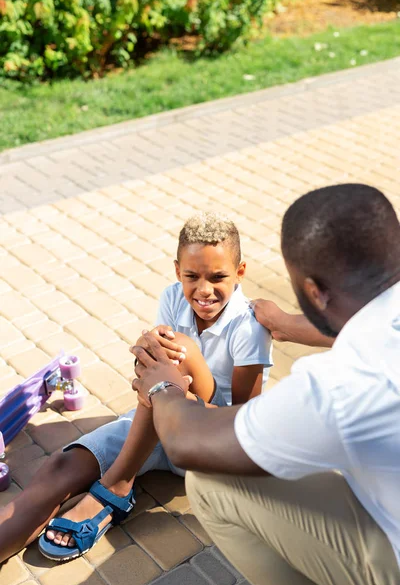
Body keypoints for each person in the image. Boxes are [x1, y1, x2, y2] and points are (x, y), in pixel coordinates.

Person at [131, 184, 400, 585]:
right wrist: (294, 325)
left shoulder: (339, 387)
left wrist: (163, 384)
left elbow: (189, 443)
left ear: (312, 290)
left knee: (211, 483)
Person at [0, 212, 273, 563]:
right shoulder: (173, 297)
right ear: (178, 272)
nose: (204, 290)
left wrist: (166, 388)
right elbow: (156, 368)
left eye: (218, 277)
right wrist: (146, 363)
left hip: (213, 441)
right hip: (159, 418)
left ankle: (117, 485)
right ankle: (111, 484)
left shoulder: (248, 327)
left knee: (176, 351)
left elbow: (244, 423)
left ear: (240, 272)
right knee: (60, 469)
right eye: (192, 276)